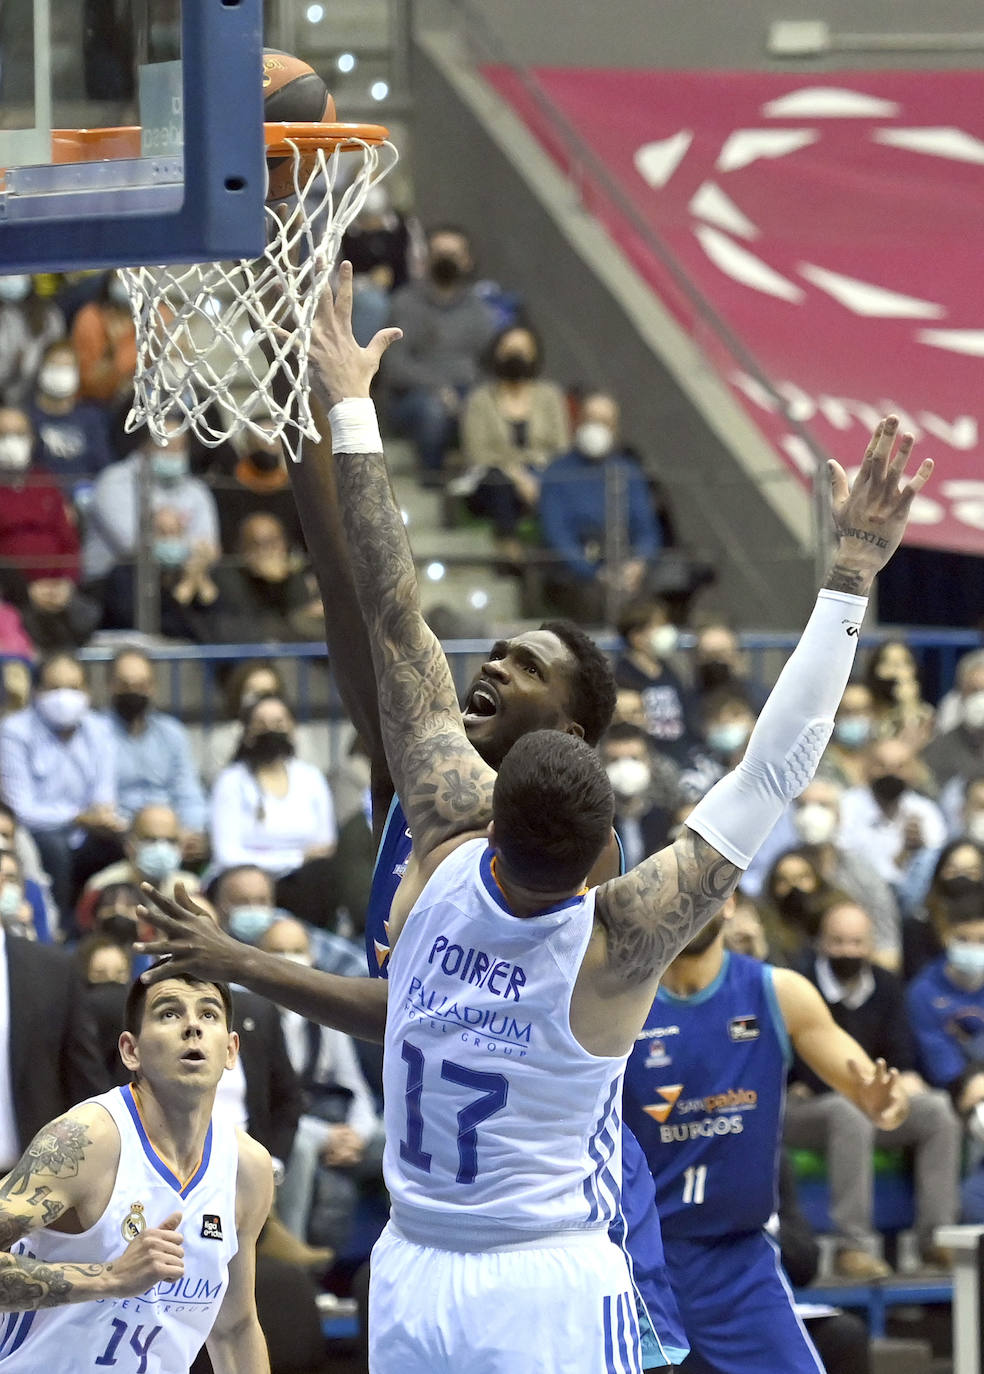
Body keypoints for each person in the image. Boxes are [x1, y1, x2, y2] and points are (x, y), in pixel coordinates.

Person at [135, 269, 930, 1372]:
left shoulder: (445, 834)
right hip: (544, 1279)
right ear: (607, 851)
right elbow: (772, 768)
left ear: (484, 799)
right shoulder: (624, 932)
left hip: (413, 1265)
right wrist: (849, 577)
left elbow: (391, 605)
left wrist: (352, 403)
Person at [622, 895, 909, 1371]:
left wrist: (884, 1103)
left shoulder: (777, 992)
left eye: (704, 889)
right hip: (643, 1262)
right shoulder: (622, 998)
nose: (690, 904)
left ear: (730, 902)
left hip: (741, 1261)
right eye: (677, 889)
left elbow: (870, 1090)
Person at [0, 972, 273, 1372]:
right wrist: (109, 1278)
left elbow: (234, 1328)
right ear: (131, 1051)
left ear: (231, 1050)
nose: (193, 1026)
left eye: (209, 1014)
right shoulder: (87, 1139)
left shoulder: (248, 1168)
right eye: (169, 1013)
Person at [785, 898, 959, 1275]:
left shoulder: (887, 986)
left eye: (856, 942)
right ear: (821, 943)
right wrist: (864, 1089)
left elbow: (901, 1056)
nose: (848, 951)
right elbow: (801, 1069)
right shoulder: (800, 985)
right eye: (838, 942)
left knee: (938, 1111)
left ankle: (937, 1239)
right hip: (805, 1108)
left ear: (871, 945)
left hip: (872, 1103)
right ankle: (853, 1247)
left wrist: (891, 1088)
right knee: (847, 1112)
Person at [260, 918, 383, 1251]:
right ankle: (295, 1256)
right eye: (279, 951)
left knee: (397, 1140)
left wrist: (357, 1134)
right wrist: (326, 1136)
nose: (290, 959)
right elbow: (265, 1104)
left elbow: (355, 1087)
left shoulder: (323, 1013)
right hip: (284, 1125)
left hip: (333, 1122)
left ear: (313, 957)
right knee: (298, 1147)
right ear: (260, 958)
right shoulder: (253, 1016)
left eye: (297, 951)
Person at [0, 653, 127, 919]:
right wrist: (77, 818)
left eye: (73, 687)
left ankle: (110, 926)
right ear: (36, 692)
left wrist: (101, 818)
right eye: (54, 688)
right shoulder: (14, 732)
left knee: (120, 842)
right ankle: (57, 928)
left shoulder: (100, 729)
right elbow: (22, 809)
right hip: (37, 833)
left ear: (88, 692)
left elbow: (104, 797)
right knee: (54, 847)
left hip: (89, 831)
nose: (64, 696)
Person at [384, 223, 497, 484]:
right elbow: (395, 365)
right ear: (426, 259)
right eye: (439, 253)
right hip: (415, 398)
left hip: (467, 391)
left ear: (467, 261)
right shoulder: (404, 303)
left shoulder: (480, 310)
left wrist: (473, 394)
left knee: (486, 404)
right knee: (432, 409)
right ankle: (433, 479)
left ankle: (486, 484)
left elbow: (489, 365)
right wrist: (438, 388)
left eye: (454, 254)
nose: (446, 261)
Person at [539, 390, 663, 622]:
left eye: (604, 422)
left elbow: (648, 529)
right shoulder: (557, 472)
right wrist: (593, 572)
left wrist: (639, 564)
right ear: (578, 423)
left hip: (626, 568)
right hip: (577, 575)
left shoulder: (629, 471)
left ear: (615, 428)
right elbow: (556, 534)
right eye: (590, 419)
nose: (596, 427)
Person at [458, 323, 569, 562]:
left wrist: (534, 475)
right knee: (499, 482)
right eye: (510, 349)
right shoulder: (480, 399)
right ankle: (509, 548)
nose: (516, 356)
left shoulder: (550, 396)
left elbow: (561, 447)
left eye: (522, 350)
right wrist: (518, 475)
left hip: (543, 476)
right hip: (493, 480)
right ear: (497, 352)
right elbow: (477, 453)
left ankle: (562, 552)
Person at [208, 694, 337, 881]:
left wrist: (266, 857)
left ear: (292, 730)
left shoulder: (311, 778)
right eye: (261, 724)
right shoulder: (230, 781)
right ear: (246, 733)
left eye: (278, 724)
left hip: (302, 880)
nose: (270, 730)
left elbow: (324, 848)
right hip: (243, 879)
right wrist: (297, 858)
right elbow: (227, 855)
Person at [82, 417, 219, 584]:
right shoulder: (114, 481)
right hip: (112, 581)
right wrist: (188, 548)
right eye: (165, 445)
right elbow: (132, 544)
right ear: (145, 445)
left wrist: (182, 550)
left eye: (179, 447)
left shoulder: (196, 489)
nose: (173, 454)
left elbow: (208, 548)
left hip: (180, 579)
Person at [102, 648, 208, 861]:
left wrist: (190, 830)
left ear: (152, 688)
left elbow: (188, 792)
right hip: (119, 834)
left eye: (141, 685)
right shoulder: (96, 732)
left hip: (170, 832)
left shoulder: (171, 732)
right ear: (110, 686)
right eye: (125, 685)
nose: (133, 692)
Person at [838, 737, 946, 889]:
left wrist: (913, 851)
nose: (890, 774)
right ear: (866, 768)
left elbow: (935, 857)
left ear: (914, 772)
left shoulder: (926, 811)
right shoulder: (846, 806)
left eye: (900, 767)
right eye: (882, 766)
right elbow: (843, 858)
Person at [209, 512, 323, 643]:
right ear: (243, 549)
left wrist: (282, 582)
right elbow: (244, 622)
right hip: (253, 651)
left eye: (274, 541)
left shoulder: (292, 575)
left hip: (293, 649)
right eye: (259, 543)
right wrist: (260, 579)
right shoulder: (228, 576)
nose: (269, 550)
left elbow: (301, 615)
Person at [26, 338, 115, 497]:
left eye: (67, 368)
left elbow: (104, 467)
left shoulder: (93, 417)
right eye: (55, 367)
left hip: (88, 499)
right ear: (41, 369)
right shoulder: (26, 418)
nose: (60, 374)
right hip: (41, 501)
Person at [613, 597, 696, 764]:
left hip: (680, 754)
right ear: (637, 636)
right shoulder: (622, 675)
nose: (666, 631)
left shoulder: (670, 670)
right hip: (649, 759)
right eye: (659, 625)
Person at [70, 268, 137, 404]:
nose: (128, 279)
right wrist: (111, 349)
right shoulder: (91, 317)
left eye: (135, 273)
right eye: (122, 274)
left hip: (128, 404)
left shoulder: (150, 320)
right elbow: (89, 382)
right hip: (88, 401)